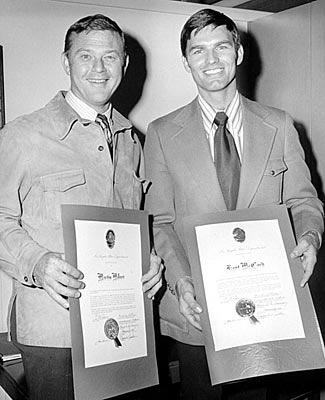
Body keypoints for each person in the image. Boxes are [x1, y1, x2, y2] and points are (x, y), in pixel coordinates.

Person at [144, 8, 324, 400]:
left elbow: (303, 199)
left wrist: (310, 236)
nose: (211, 61)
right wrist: (181, 280)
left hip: (268, 306)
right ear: (186, 62)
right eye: (198, 51)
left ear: (238, 54)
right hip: (197, 311)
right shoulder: (160, 133)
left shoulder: (279, 125)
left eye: (222, 47)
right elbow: (158, 221)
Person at [0, 14, 163, 400]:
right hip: (55, 332)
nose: (98, 68)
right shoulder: (23, 135)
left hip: (122, 322)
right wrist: (37, 262)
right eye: (86, 56)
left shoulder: (130, 140)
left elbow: (134, 223)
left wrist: (151, 259)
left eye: (110, 57)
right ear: (66, 62)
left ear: (124, 64)